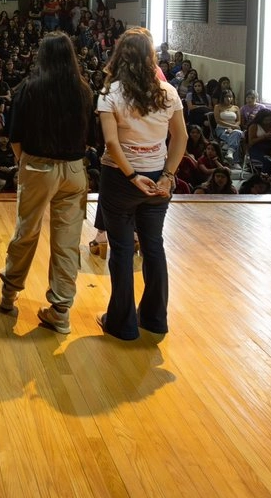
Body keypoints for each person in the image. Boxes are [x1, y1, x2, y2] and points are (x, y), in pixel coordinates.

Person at [96, 28, 188, 341]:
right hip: (158, 177)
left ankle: (122, 324)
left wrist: (132, 177)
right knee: (153, 246)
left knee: (121, 250)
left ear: (120, 56)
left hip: (121, 181)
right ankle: (155, 319)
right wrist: (168, 175)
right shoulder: (168, 92)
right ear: (150, 58)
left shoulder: (110, 93)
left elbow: (111, 142)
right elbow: (181, 138)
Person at [0, 33, 93, 334]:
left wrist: (24, 163)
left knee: (26, 231)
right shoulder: (83, 90)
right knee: (67, 242)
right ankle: (61, 311)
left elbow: (14, 136)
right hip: (75, 170)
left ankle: (9, 296)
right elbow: (90, 136)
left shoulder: (30, 88)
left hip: (38, 166)